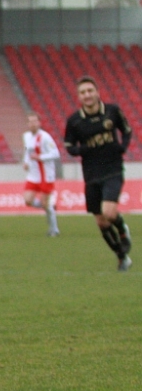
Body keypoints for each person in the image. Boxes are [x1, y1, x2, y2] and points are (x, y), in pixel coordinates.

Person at [64, 76, 133, 271]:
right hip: (91, 174)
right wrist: (82, 150)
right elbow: (69, 146)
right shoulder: (74, 121)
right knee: (101, 222)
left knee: (109, 212)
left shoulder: (112, 111)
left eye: (90, 91)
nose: (87, 95)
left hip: (112, 169)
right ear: (79, 96)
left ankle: (122, 229)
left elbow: (127, 131)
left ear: (97, 92)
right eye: (83, 92)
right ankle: (122, 257)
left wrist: (123, 147)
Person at [21, 112, 60, 237]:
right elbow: (27, 150)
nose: (32, 124)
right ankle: (49, 207)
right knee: (28, 200)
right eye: (30, 121)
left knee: (45, 203)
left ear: (39, 123)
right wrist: (26, 162)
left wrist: (40, 157)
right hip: (33, 175)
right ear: (27, 124)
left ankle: (54, 229)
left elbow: (56, 153)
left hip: (46, 175)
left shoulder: (45, 137)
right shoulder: (26, 136)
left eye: (35, 121)